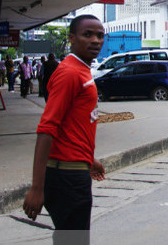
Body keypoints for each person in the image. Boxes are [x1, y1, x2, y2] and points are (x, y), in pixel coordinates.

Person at [23, 15, 106, 244]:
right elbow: (47, 128)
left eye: (100, 35)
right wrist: (37, 188)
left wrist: (89, 159)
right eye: (87, 34)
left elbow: (72, 126)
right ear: (71, 38)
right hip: (66, 177)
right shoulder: (70, 73)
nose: (95, 40)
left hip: (75, 170)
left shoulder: (81, 70)